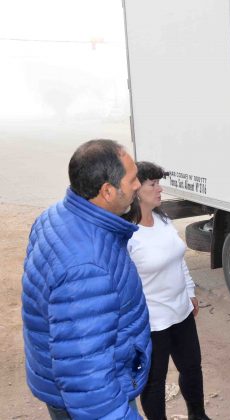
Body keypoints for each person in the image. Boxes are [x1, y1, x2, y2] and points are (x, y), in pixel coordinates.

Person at [21, 139, 151, 419]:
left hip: (64, 386)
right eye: (132, 179)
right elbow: (86, 373)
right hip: (92, 400)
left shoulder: (54, 216)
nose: (138, 184)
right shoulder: (88, 265)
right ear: (107, 191)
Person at [123, 162, 211, 420]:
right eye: (153, 184)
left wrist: (190, 291)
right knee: (154, 382)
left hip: (181, 312)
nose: (160, 189)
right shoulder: (128, 234)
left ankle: (198, 415)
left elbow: (179, 259)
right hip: (152, 322)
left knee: (192, 368)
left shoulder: (162, 220)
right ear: (137, 190)